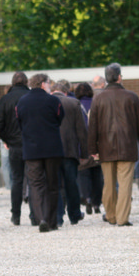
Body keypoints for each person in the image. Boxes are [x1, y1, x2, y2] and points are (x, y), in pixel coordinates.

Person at [87, 62, 139, 227]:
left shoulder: (98, 98)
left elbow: (93, 126)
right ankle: (122, 218)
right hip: (127, 145)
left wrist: (92, 148)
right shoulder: (132, 97)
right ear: (120, 77)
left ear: (106, 79)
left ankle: (111, 215)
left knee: (108, 184)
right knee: (125, 184)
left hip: (105, 147)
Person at [16, 73, 64, 233]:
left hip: (31, 149)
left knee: (36, 185)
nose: (50, 85)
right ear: (43, 84)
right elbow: (60, 118)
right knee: (52, 184)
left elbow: (19, 122)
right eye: (49, 83)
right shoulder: (53, 101)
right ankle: (51, 220)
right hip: (52, 148)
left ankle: (41, 217)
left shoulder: (22, 102)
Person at [0, 71, 31, 226]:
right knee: (33, 178)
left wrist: (6, 139)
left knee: (16, 179)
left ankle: (16, 214)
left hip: (14, 144)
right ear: (27, 82)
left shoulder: (5, 100)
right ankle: (35, 214)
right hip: (31, 143)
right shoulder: (31, 97)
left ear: (13, 83)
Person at [51, 80, 87, 226]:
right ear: (66, 92)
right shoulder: (73, 103)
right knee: (71, 183)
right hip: (70, 149)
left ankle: (58, 216)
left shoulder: (47, 103)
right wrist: (84, 152)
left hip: (52, 150)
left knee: (55, 184)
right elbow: (81, 130)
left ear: (52, 91)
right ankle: (74, 214)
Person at [74, 82, 103, 215]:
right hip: (96, 144)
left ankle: (87, 198)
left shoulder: (75, 105)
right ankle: (97, 203)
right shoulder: (97, 103)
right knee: (97, 175)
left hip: (81, 145)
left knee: (83, 174)